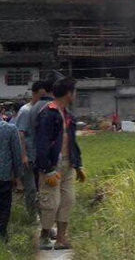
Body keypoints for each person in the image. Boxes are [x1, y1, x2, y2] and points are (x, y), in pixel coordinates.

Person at [35, 77, 86, 250]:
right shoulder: (48, 114)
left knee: (68, 200)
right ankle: (44, 235)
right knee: (50, 202)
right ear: (68, 93)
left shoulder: (69, 116)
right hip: (52, 166)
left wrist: (78, 165)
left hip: (68, 164)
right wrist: (46, 169)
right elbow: (41, 143)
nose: (75, 95)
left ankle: (61, 238)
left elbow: (72, 142)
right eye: (74, 91)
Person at [14, 81, 50, 219]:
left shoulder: (40, 110)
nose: (42, 98)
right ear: (34, 94)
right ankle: (32, 217)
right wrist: (23, 155)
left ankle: (42, 215)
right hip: (27, 156)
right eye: (40, 95)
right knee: (31, 188)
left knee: (40, 187)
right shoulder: (26, 110)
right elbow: (20, 133)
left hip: (37, 155)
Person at [1, 116, 23, 242]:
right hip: (4, 175)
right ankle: (2, 233)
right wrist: (18, 177)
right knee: (4, 205)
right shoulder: (10, 129)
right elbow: (16, 154)